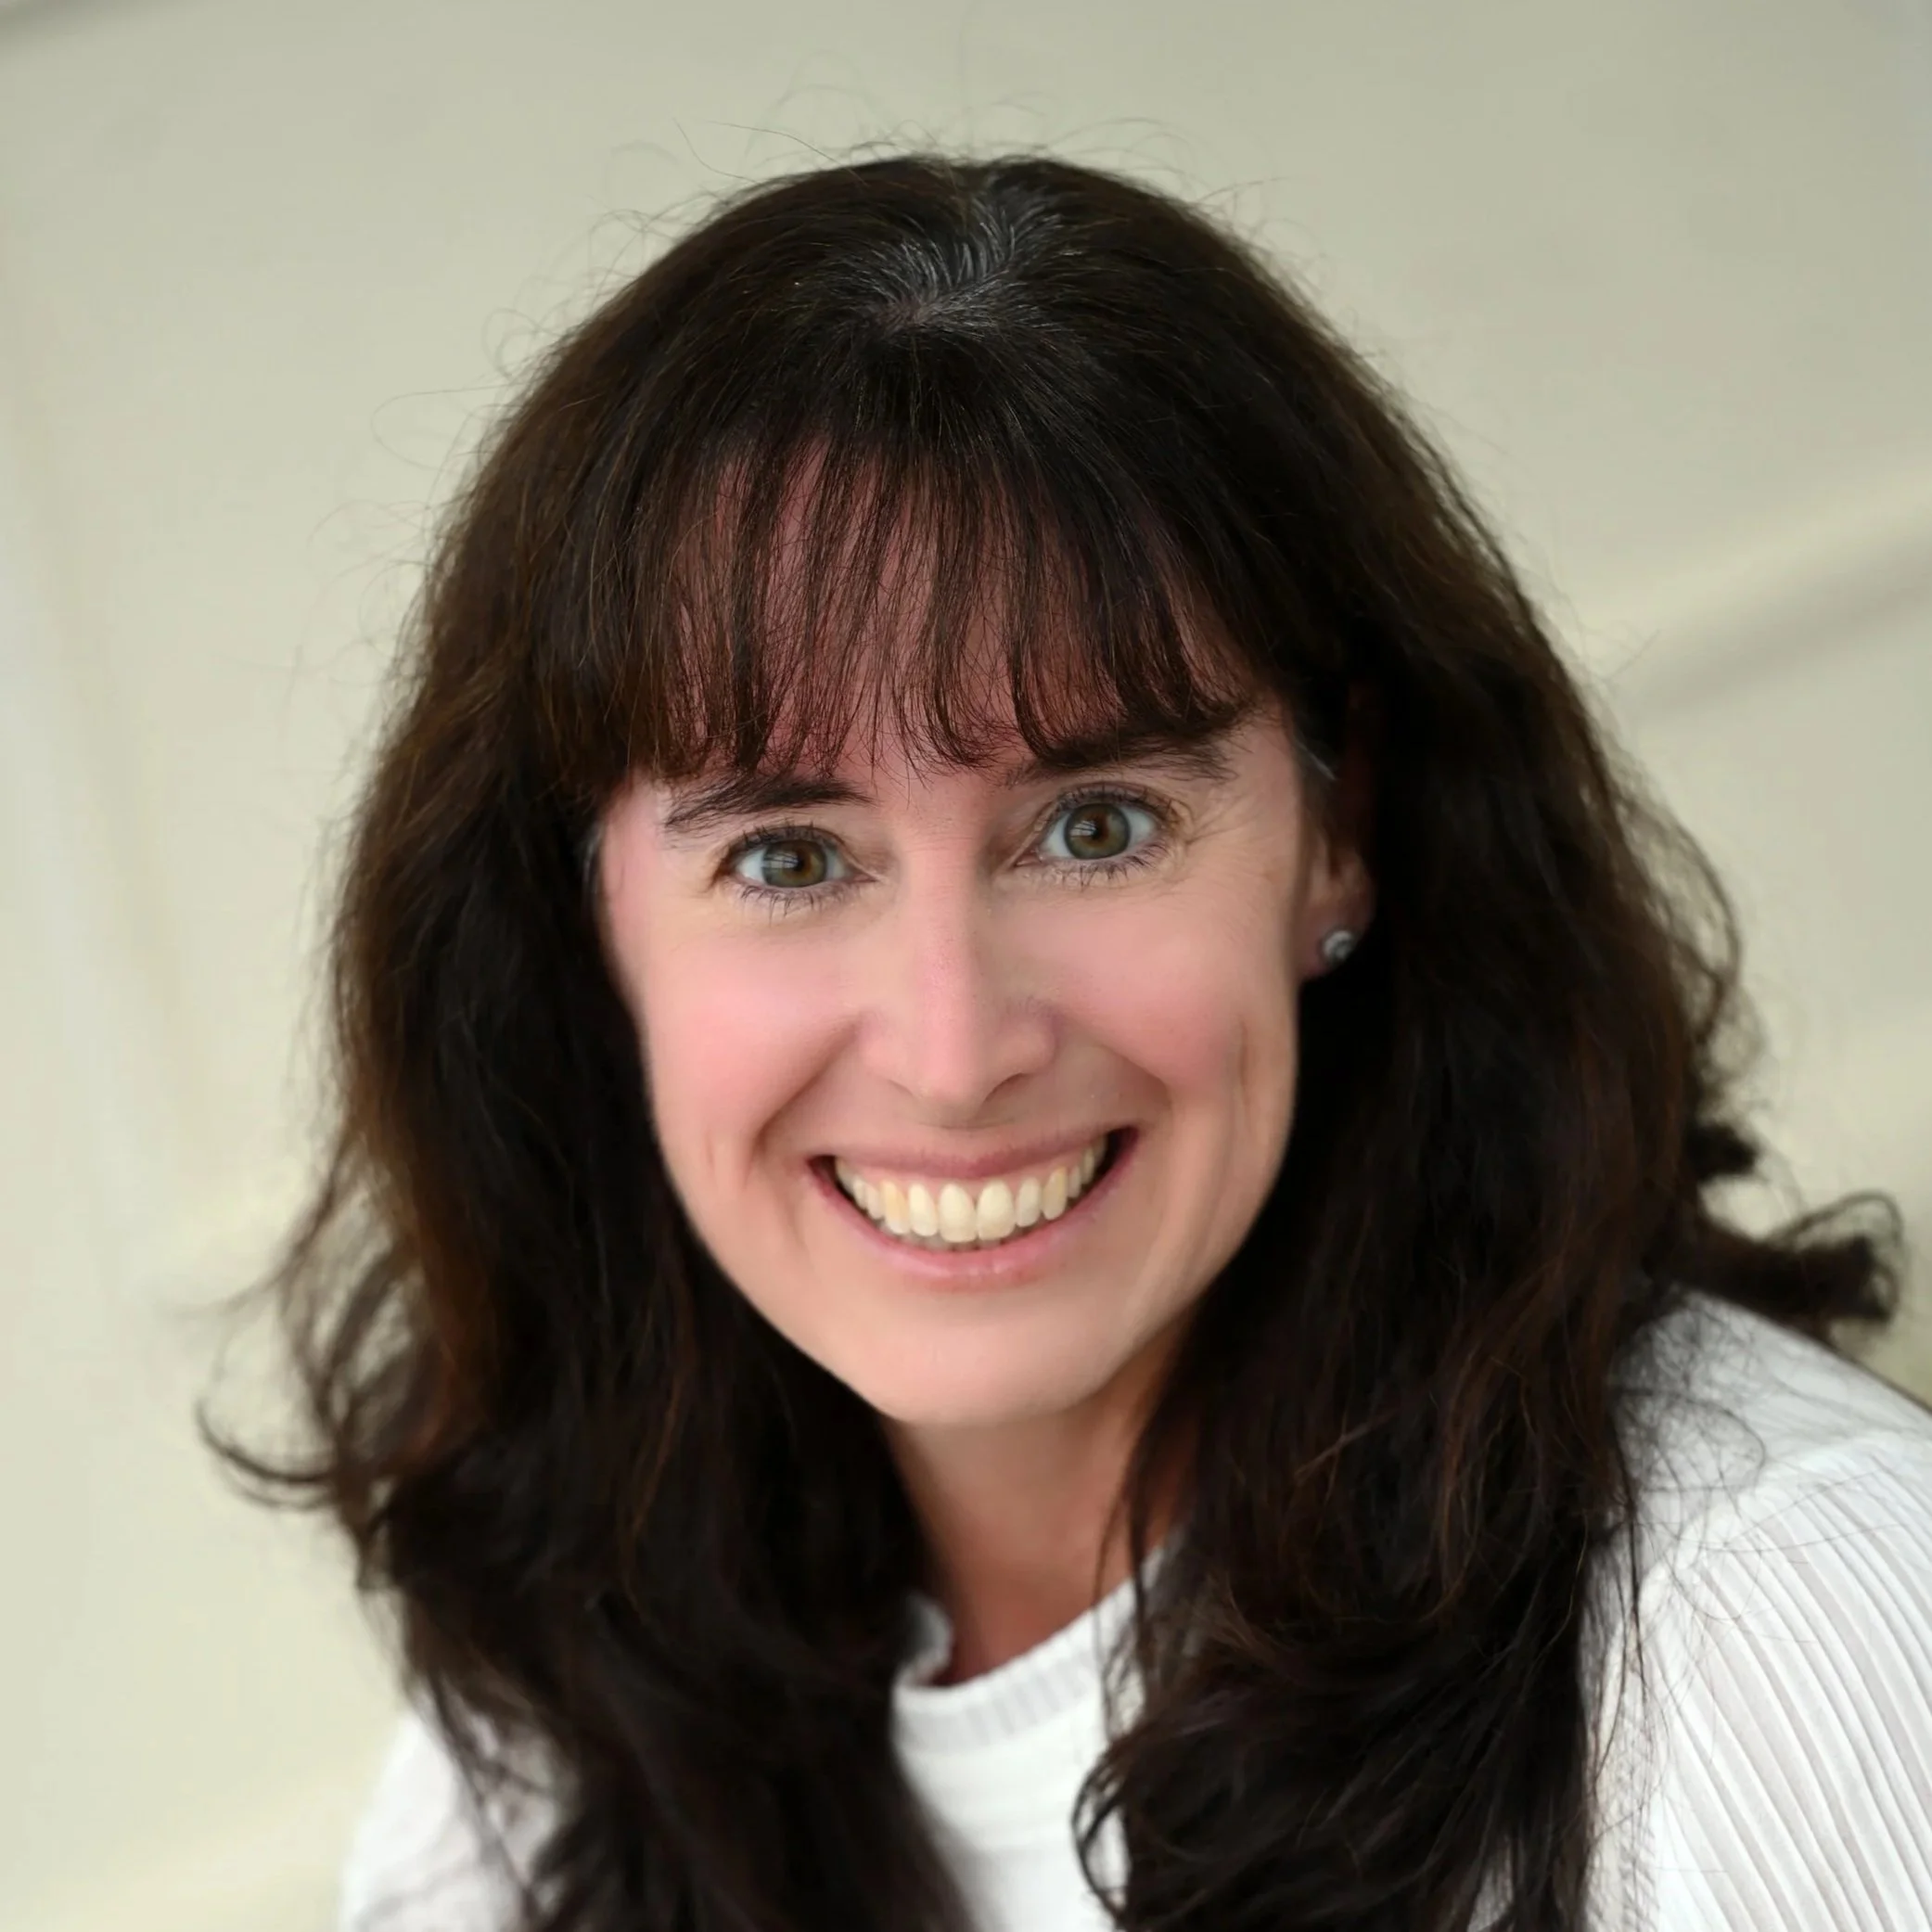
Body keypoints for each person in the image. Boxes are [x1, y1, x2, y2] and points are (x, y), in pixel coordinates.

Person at [215, 152, 1932, 1931]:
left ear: (1339, 827)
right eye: (789, 856)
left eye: (1096, 825)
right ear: (589, 925)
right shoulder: (556, 1734)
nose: (955, 1052)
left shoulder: (1788, 1635)